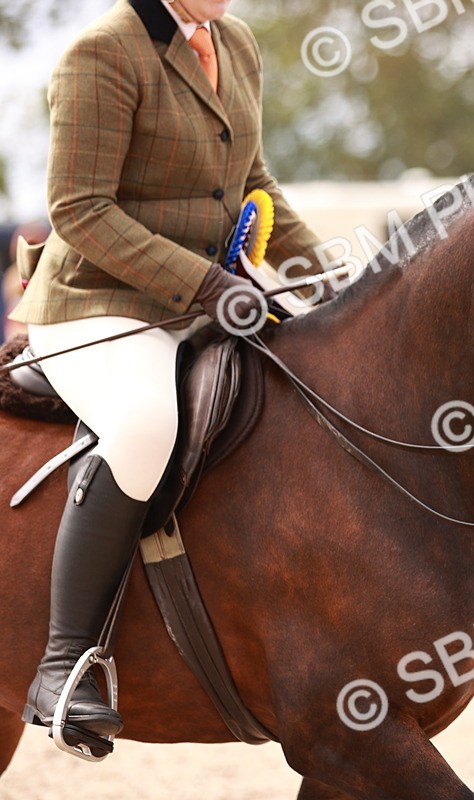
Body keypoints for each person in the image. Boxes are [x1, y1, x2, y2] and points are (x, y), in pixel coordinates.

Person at [9, 0, 331, 741]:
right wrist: (209, 285)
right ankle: (62, 667)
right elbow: (80, 209)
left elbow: (253, 180)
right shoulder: (103, 52)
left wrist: (339, 278)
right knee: (145, 425)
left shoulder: (234, 42)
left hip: (208, 295)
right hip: (101, 303)